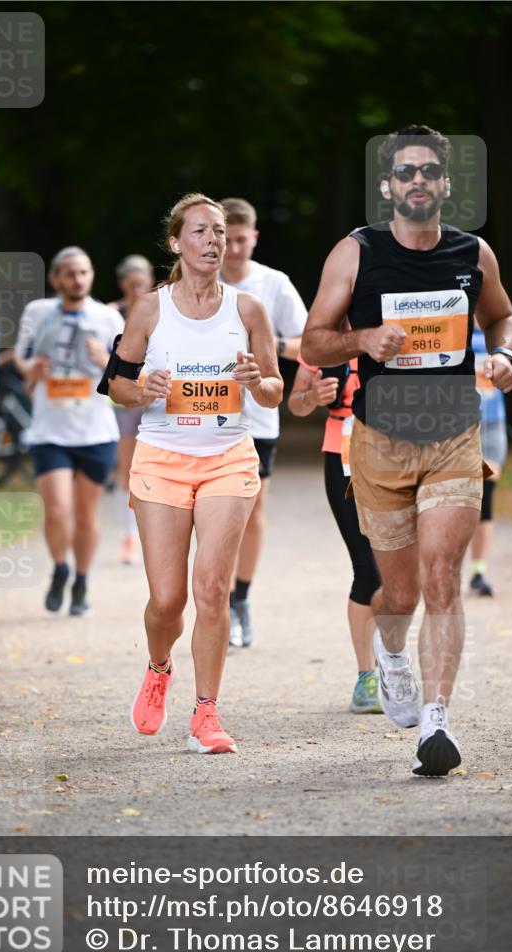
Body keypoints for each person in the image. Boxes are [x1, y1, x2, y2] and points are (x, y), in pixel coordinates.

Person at [301, 124, 512, 776]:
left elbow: (501, 316)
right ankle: (390, 655)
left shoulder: (472, 253)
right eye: (406, 173)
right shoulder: (354, 253)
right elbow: (313, 342)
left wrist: (505, 354)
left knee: (439, 580)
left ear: (446, 184)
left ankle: (435, 721)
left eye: (429, 171)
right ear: (386, 186)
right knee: (395, 594)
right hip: (380, 443)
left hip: (454, 433)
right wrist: (361, 340)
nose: (417, 181)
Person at [103, 193, 283, 754]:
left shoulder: (248, 309)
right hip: (161, 458)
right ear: (176, 242)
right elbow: (115, 385)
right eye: (201, 232)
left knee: (212, 588)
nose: (214, 242)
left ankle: (207, 713)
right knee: (167, 600)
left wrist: (257, 381)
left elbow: (278, 391)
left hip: (229, 456)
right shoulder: (151, 311)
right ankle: (159, 668)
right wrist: (142, 389)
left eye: (221, 233)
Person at [218, 197, 307, 647]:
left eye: (240, 240)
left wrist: (267, 343)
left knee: (250, 514)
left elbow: (310, 343)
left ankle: (241, 600)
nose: (232, 250)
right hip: (202, 418)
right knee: (213, 517)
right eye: (224, 239)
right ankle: (215, 602)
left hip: (257, 418)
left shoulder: (274, 284)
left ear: (253, 237)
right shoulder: (196, 282)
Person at [14, 247, 123, 615]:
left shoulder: (108, 317)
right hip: (49, 430)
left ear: (91, 275)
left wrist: (104, 361)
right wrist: (31, 368)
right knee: (57, 510)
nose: (77, 279)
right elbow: (20, 355)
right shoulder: (37, 312)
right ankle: (60, 568)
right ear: (56, 279)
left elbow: (127, 371)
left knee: (86, 514)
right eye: (69, 273)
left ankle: (82, 580)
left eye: (83, 272)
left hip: (95, 431)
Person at [289, 350, 382, 713]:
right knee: (369, 569)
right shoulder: (324, 339)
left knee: (401, 571)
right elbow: (295, 403)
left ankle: (394, 664)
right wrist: (313, 396)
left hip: (399, 449)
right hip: (341, 455)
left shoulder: (394, 321)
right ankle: (367, 677)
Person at [469, 327, 512, 596]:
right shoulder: (455, 334)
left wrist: (504, 367)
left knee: (486, 493)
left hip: (492, 426)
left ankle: (478, 571)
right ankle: (443, 567)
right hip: (458, 426)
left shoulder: (498, 340)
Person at [108, 255, 156, 563]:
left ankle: (151, 534)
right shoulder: (112, 314)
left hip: (155, 399)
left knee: (154, 467)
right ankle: (129, 536)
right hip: (122, 403)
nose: (136, 288)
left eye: (141, 282)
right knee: (126, 468)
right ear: (123, 283)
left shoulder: (163, 311)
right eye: (131, 283)